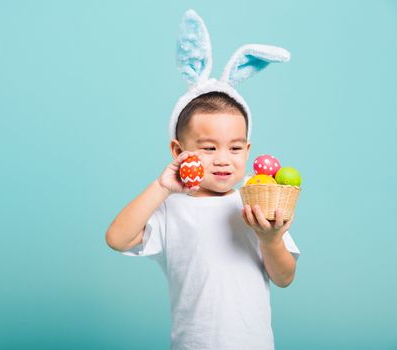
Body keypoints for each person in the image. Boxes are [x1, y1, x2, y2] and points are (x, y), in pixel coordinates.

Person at [105, 9, 300, 350]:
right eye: (209, 148)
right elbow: (117, 239)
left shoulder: (256, 202)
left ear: (248, 148)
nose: (223, 158)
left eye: (235, 147)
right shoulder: (171, 208)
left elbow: (284, 278)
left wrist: (271, 240)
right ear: (179, 150)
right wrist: (162, 186)